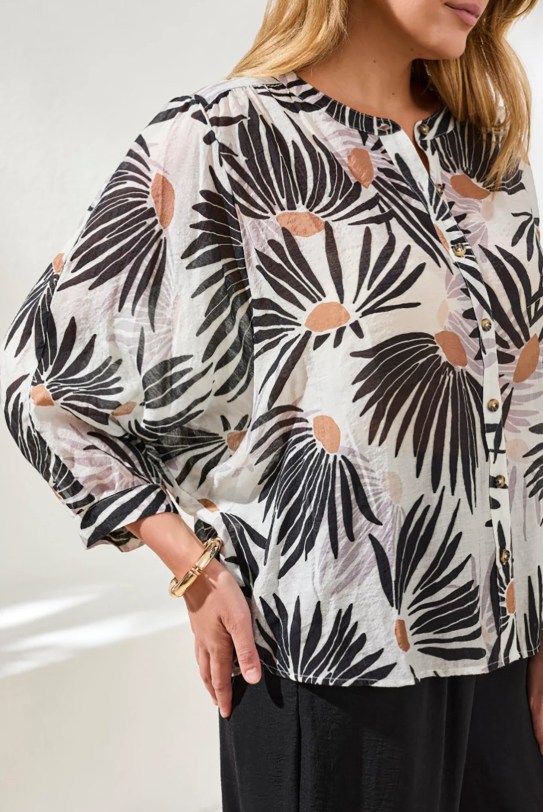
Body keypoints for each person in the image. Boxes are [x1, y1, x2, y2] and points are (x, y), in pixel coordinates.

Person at [1, 0, 543, 809]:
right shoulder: (222, 137)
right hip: (332, 656)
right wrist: (193, 568)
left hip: (506, 650)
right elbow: (45, 383)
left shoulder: (488, 155)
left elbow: (526, 400)